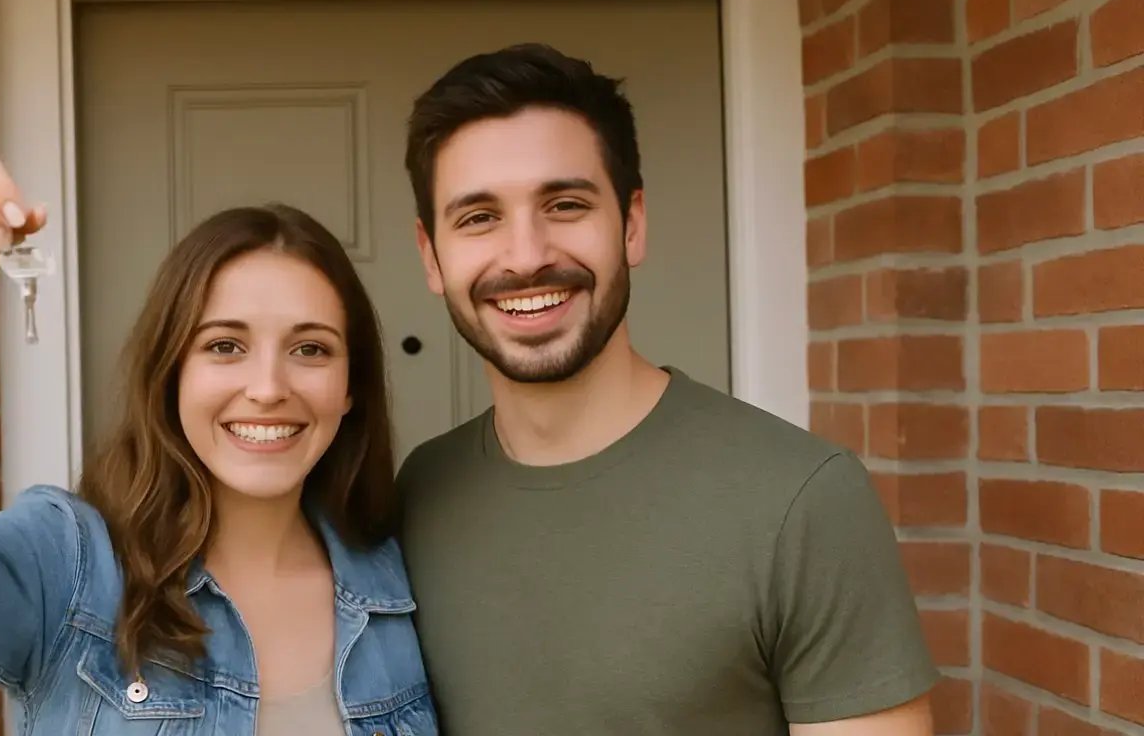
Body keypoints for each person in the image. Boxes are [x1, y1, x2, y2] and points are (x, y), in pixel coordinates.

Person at [0, 135, 437, 735]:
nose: (268, 386)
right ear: (170, 375)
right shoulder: (73, 568)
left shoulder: (402, 585)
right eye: (224, 345)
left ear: (350, 388)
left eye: (310, 348)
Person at [394, 43, 939, 735]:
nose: (526, 255)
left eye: (564, 204)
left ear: (632, 223)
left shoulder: (802, 501)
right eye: (479, 217)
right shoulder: (421, 491)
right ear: (430, 255)